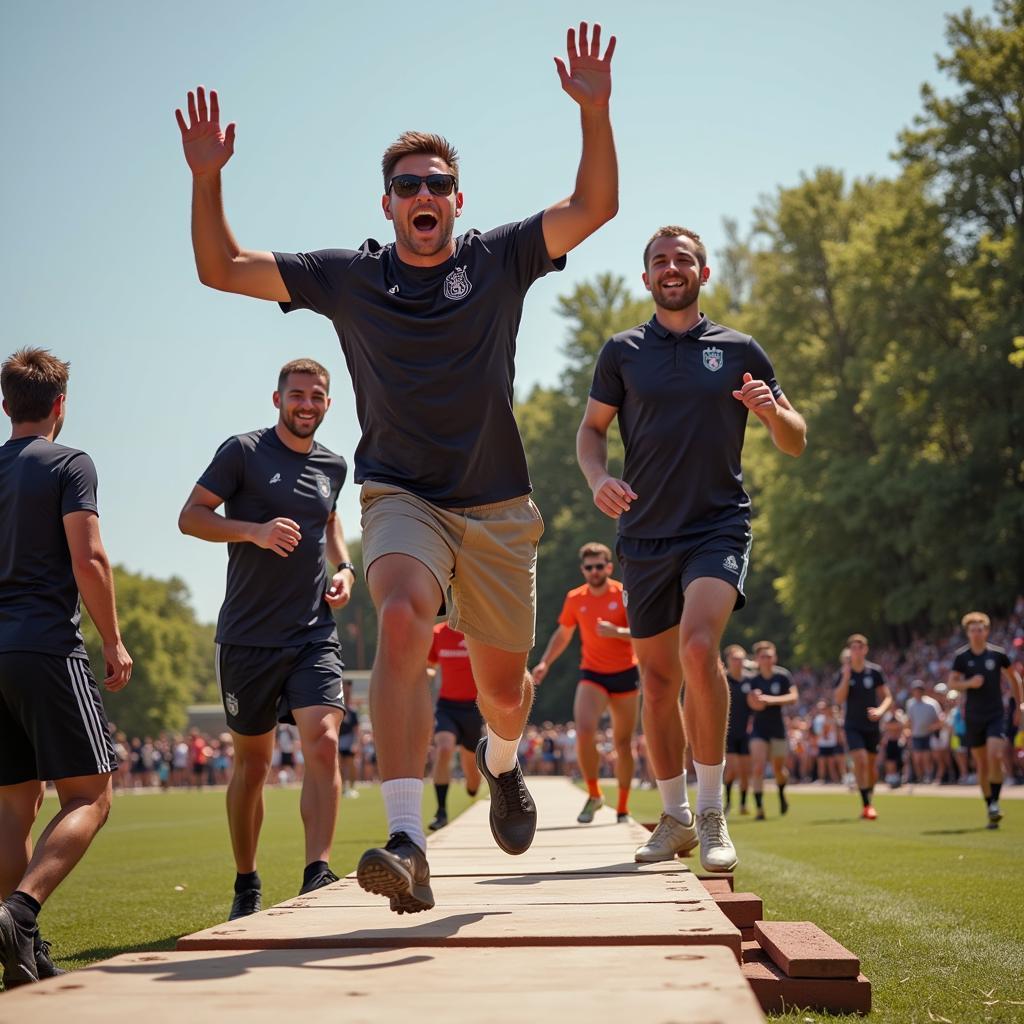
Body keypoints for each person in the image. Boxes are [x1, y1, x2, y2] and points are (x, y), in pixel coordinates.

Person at [175, 22, 618, 915]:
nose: (424, 194)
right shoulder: (349, 277)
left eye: (438, 184)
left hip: (498, 510)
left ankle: (502, 763)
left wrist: (595, 113)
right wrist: (207, 177)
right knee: (404, 614)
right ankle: (409, 840)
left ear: (459, 199)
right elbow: (220, 268)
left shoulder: (499, 258)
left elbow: (594, 205)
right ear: (386, 204)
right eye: (407, 185)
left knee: (502, 695)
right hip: (399, 495)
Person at [577, 225, 806, 870]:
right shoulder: (621, 352)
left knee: (700, 647)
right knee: (655, 679)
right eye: (659, 261)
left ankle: (711, 811)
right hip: (644, 533)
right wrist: (599, 480)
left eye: (683, 260)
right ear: (645, 278)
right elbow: (591, 431)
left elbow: (795, 439)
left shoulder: (739, 349)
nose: (671, 268)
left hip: (717, 525)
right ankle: (673, 816)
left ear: (703, 274)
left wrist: (771, 412)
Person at [178, 358, 353, 918]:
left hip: (311, 634)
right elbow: (192, 516)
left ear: (328, 404)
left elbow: (329, 521)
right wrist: (251, 531)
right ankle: (246, 881)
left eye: (317, 396)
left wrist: (345, 568)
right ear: (277, 400)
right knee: (252, 764)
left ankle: (316, 874)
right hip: (248, 638)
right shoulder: (244, 452)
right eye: (297, 395)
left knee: (323, 742)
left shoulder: (334, 464)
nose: (307, 404)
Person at [0, 348, 133, 987]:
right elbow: (91, 560)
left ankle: (22, 948)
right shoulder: (69, 462)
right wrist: (112, 638)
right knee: (91, 794)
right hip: (45, 646)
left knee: (14, 804)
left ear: (6, 405)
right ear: (60, 406)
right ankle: (20, 914)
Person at [532, 542, 639, 823]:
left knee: (623, 742)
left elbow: (643, 631)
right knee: (584, 730)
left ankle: (623, 807)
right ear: (583, 570)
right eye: (589, 567)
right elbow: (563, 634)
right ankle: (594, 794)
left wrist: (617, 631)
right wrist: (545, 662)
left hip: (626, 673)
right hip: (592, 673)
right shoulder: (575, 598)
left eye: (599, 566)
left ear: (609, 567)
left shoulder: (622, 594)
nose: (594, 571)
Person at [948, 611, 1023, 828]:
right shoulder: (962, 657)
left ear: (986, 631)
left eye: (980, 629)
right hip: (973, 716)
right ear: (968, 633)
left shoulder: (997, 655)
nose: (977, 633)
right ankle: (989, 804)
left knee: (995, 754)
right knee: (981, 765)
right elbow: (952, 683)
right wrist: (968, 683)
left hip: (995, 714)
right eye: (973, 630)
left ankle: (996, 804)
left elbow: (1014, 678)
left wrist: (1018, 706)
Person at [426, 623, 482, 832]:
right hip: (447, 706)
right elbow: (429, 664)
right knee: (444, 748)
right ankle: (441, 811)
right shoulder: (438, 633)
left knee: (472, 772)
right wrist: (426, 672)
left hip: (474, 707)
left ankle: (473, 785)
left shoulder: (480, 630)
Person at [833, 634, 892, 819]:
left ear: (865, 650)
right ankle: (866, 804)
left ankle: (869, 799)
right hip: (852, 725)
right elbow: (838, 699)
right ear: (850, 651)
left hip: (872, 725)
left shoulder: (874, 672)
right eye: (853, 648)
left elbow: (887, 697)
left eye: (860, 647)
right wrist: (846, 677)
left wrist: (881, 711)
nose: (857, 651)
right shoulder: (843, 673)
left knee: (872, 767)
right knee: (861, 759)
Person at [747, 641, 798, 820]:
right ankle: (760, 808)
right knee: (758, 767)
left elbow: (793, 696)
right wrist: (755, 701)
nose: (767, 660)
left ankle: (782, 795)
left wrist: (769, 700)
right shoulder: (752, 680)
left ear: (774, 657)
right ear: (757, 659)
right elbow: (751, 704)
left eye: (769, 656)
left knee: (778, 770)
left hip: (777, 728)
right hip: (759, 729)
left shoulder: (783, 676)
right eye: (763, 656)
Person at [722, 645, 753, 815]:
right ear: (728, 660)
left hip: (746, 731)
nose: (738, 662)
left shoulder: (750, 680)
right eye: (735, 658)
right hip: (728, 731)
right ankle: (727, 802)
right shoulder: (723, 680)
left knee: (745, 771)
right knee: (732, 768)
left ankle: (742, 803)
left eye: (741, 658)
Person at [906, 680, 943, 784]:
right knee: (917, 759)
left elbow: (939, 721)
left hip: (929, 735)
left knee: (927, 758)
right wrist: (908, 732)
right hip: (916, 735)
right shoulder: (910, 704)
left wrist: (932, 727)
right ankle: (920, 777)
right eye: (915, 690)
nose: (916, 693)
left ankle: (928, 776)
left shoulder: (932, 704)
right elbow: (909, 721)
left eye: (918, 690)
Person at [337, 680, 361, 798]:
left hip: (349, 740)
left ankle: (352, 787)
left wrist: (356, 743)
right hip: (339, 740)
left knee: (351, 764)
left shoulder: (352, 711)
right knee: (340, 765)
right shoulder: (338, 708)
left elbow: (356, 729)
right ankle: (342, 787)